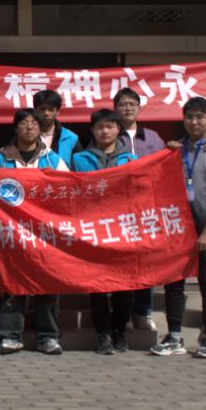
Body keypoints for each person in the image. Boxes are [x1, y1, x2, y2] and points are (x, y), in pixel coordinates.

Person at [151, 97, 206, 359]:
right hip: (176, 226)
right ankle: (174, 335)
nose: (194, 122)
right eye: (189, 117)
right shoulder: (174, 151)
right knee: (174, 283)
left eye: (200, 117)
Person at [0, 108, 69, 356]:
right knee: (14, 286)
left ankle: (48, 337)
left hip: (46, 234)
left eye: (34, 123)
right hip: (13, 233)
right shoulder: (1, 159)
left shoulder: (53, 160)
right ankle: (10, 336)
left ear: (40, 128)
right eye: (24, 122)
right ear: (15, 128)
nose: (29, 127)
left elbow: (67, 191)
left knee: (47, 285)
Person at [71, 109, 137, 355]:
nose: (105, 131)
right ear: (92, 130)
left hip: (123, 228)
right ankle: (103, 335)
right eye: (100, 127)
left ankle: (120, 331)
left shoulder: (131, 160)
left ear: (118, 129)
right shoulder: (79, 159)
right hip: (93, 229)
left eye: (110, 126)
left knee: (125, 286)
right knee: (97, 286)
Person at [113, 87, 167, 332]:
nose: (127, 108)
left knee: (147, 262)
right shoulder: (110, 133)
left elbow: (163, 169)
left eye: (132, 104)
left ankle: (143, 312)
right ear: (115, 109)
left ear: (139, 108)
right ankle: (122, 313)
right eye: (123, 104)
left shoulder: (153, 138)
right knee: (122, 263)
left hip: (147, 209)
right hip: (119, 210)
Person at [32, 89, 81, 166]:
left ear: (58, 112)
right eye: (42, 109)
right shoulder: (24, 137)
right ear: (35, 110)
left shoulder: (70, 138)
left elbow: (80, 168)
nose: (46, 113)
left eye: (51, 109)